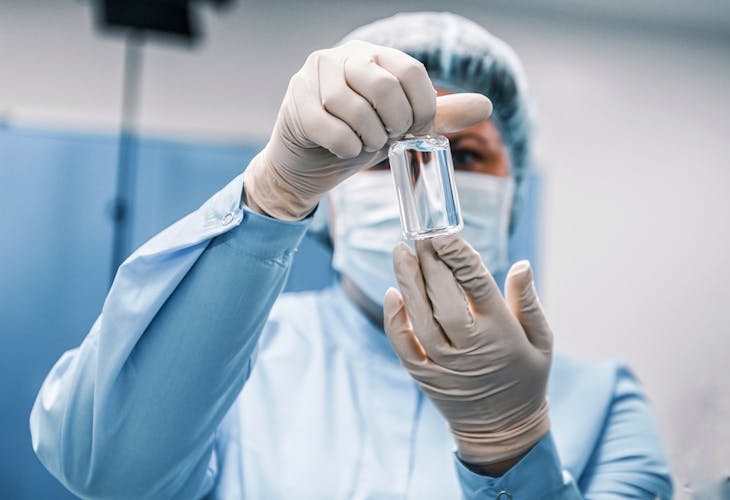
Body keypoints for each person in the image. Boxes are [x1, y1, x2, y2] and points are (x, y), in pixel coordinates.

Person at [30, 12, 673, 499]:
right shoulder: (238, 364)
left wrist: (512, 446)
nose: (419, 184)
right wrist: (274, 193)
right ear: (329, 203)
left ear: (516, 194)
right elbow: (105, 469)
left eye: (466, 156)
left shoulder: (603, 400)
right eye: (377, 158)